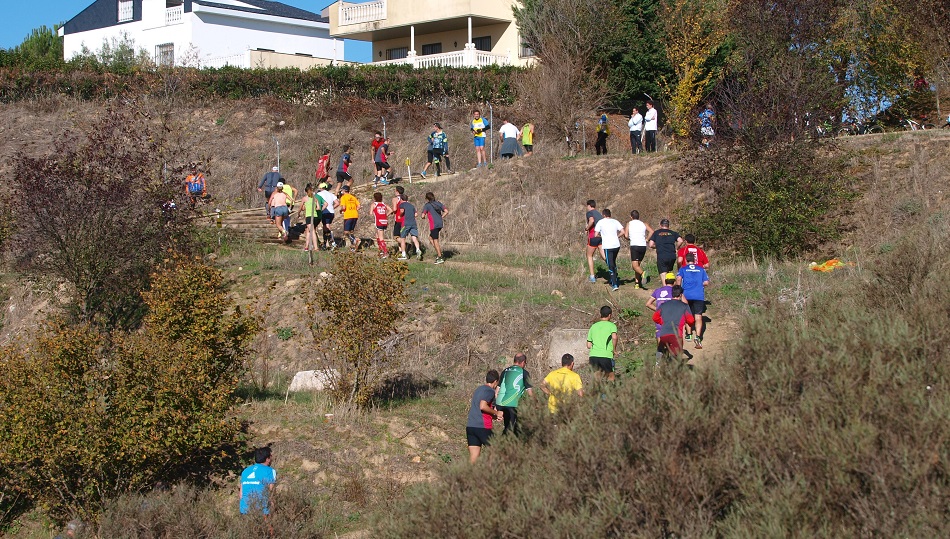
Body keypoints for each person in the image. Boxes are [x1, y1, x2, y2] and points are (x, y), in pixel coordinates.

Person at [466, 369, 503, 463]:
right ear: (495, 381)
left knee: (474, 456)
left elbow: (482, 408)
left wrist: (494, 416)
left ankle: (468, 476)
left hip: (471, 426)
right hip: (482, 427)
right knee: (496, 450)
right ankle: (490, 475)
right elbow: (483, 406)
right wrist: (496, 413)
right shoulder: (490, 391)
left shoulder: (479, 389)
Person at [676, 253, 710, 349]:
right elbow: (706, 282)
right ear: (695, 261)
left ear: (686, 260)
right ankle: (698, 337)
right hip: (698, 295)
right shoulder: (701, 269)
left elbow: (678, 279)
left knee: (687, 314)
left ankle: (689, 333)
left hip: (686, 295)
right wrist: (699, 285)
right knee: (698, 316)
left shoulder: (682, 269)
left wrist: (679, 290)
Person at [652, 285, 694, 363]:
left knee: (660, 348)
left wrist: (662, 322)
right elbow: (691, 320)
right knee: (675, 356)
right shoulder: (684, 306)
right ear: (681, 295)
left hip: (663, 334)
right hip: (676, 335)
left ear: (672, 294)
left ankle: (657, 365)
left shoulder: (663, 305)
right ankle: (672, 369)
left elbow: (655, 317)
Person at [496, 353, 533, 436]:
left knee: (508, 425)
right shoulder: (524, 373)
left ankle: (509, 443)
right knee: (511, 427)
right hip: (512, 404)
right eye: (525, 363)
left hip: (501, 403)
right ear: (523, 362)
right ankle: (504, 445)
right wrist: (535, 404)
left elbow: (497, 390)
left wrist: (496, 406)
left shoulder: (505, 371)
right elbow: (530, 393)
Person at [593, 208, 626, 291]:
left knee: (610, 264)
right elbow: (623, 231)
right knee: (613, 262)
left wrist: (602, 237)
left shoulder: (601, 222)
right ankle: (614, 277)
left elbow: (595, 234)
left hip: (608, 246)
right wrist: (617, 236)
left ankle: (614, 284)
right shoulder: (615, 221)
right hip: (616, 245)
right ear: (610, 214)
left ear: (603, 215)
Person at [240, 446, 277, 516]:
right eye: (271, 456)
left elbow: (241, 494)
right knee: (270, 527)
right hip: (263, 510)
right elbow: (272, 493)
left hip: (245, 509)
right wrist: (274, 510)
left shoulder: (245, 471)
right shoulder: (270, 471)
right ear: (267, 459)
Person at [587, 305, 619, 382]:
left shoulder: (593, 326)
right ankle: (608, 393)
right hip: (606, 355)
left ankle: (598, 392)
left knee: (597, 378)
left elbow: (588, 345)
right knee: (611, 376)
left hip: (593, 356)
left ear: (600, 314)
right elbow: (614, 337)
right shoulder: (612, 326)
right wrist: (614, 350)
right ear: (610, 315)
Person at [627, 210, 654, 289]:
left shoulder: (629, 223)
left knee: (634, 266)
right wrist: (647, 239)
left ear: (631, 217)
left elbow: (625, 235)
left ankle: (643, 273)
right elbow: (652, 231)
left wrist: (629, 238)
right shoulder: (644, 224)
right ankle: (637, 283)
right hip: (643, 246)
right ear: (639, 217)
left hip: (635, 245)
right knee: (638, 265)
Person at [421, 191, 448, 264]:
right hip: (440, 223)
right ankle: (439, 252)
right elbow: (446, 211)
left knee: (435, 240)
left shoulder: (427, 205)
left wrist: (423, 217)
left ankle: (440, 257)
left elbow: (423, 215)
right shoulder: (439, 203)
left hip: (434, 225)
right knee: (430, 238)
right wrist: (441, 217)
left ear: (427, 198)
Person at [396, 194, 423, 261]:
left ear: (401, 199)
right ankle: (418, 250)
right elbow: (416, 214)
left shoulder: (402, 204)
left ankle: (404, 254)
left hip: (405, 224)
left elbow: (402, 211)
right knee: (414, 237)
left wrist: (400, 215)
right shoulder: (411, 205)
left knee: (402, 239)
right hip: (413, 223)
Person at [297, 183, 322, 252]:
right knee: (308, 231)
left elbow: (300, 207)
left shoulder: (305, 198)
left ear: (306, 191)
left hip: (309, 216)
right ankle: (306, 247)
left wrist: (298, 213)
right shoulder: (315, 198)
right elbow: (318, 208)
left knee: (312, 231)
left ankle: (316, 248)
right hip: (315, 216)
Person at [585, 200, 604, 283]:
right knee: (604, 256)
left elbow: (591, 220)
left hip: (593, 236)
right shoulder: (599, 214)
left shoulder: (590, 213)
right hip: (601, 236)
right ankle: (613, 269)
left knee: (589, 255)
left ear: (589, 206)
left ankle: (592, 276)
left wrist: (587, 228)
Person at [317, 183, 339, 250]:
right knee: (325, 227)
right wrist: (332, 207)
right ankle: (325, 243)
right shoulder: (331, 194)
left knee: (326, 227)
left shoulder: (319, 194)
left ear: (320, 188)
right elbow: (337, 203)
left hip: (324, 212)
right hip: (331, 212)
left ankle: (332, 243)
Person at [338, 185, 360, 250]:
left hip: (348, 216)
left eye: (342, 190)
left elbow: (343, 207)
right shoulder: (353, 197)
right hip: (355, 215)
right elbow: (359, 206)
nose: (341, 191)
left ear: (344, 190)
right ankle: (353, 247)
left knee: (346, 232)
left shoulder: (343, 197)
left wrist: (341, 210)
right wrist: (354, 210)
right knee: (351, 231)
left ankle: (354, 240)